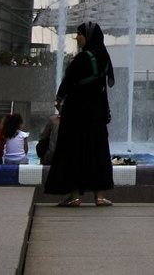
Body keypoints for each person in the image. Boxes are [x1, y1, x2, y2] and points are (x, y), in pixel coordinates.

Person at [44, 21, 116, 207]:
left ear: (89, 36)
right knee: (97, 152)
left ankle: (75, 196)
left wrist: (58, 100)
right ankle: (99, 197)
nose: (77, 37)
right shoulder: (104, 58)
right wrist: (105, 111)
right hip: (97, 115)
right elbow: (104, 89)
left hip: (76, 113)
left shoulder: (82, 58)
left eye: (79, 34)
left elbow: (67, 83)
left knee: (72, 151)